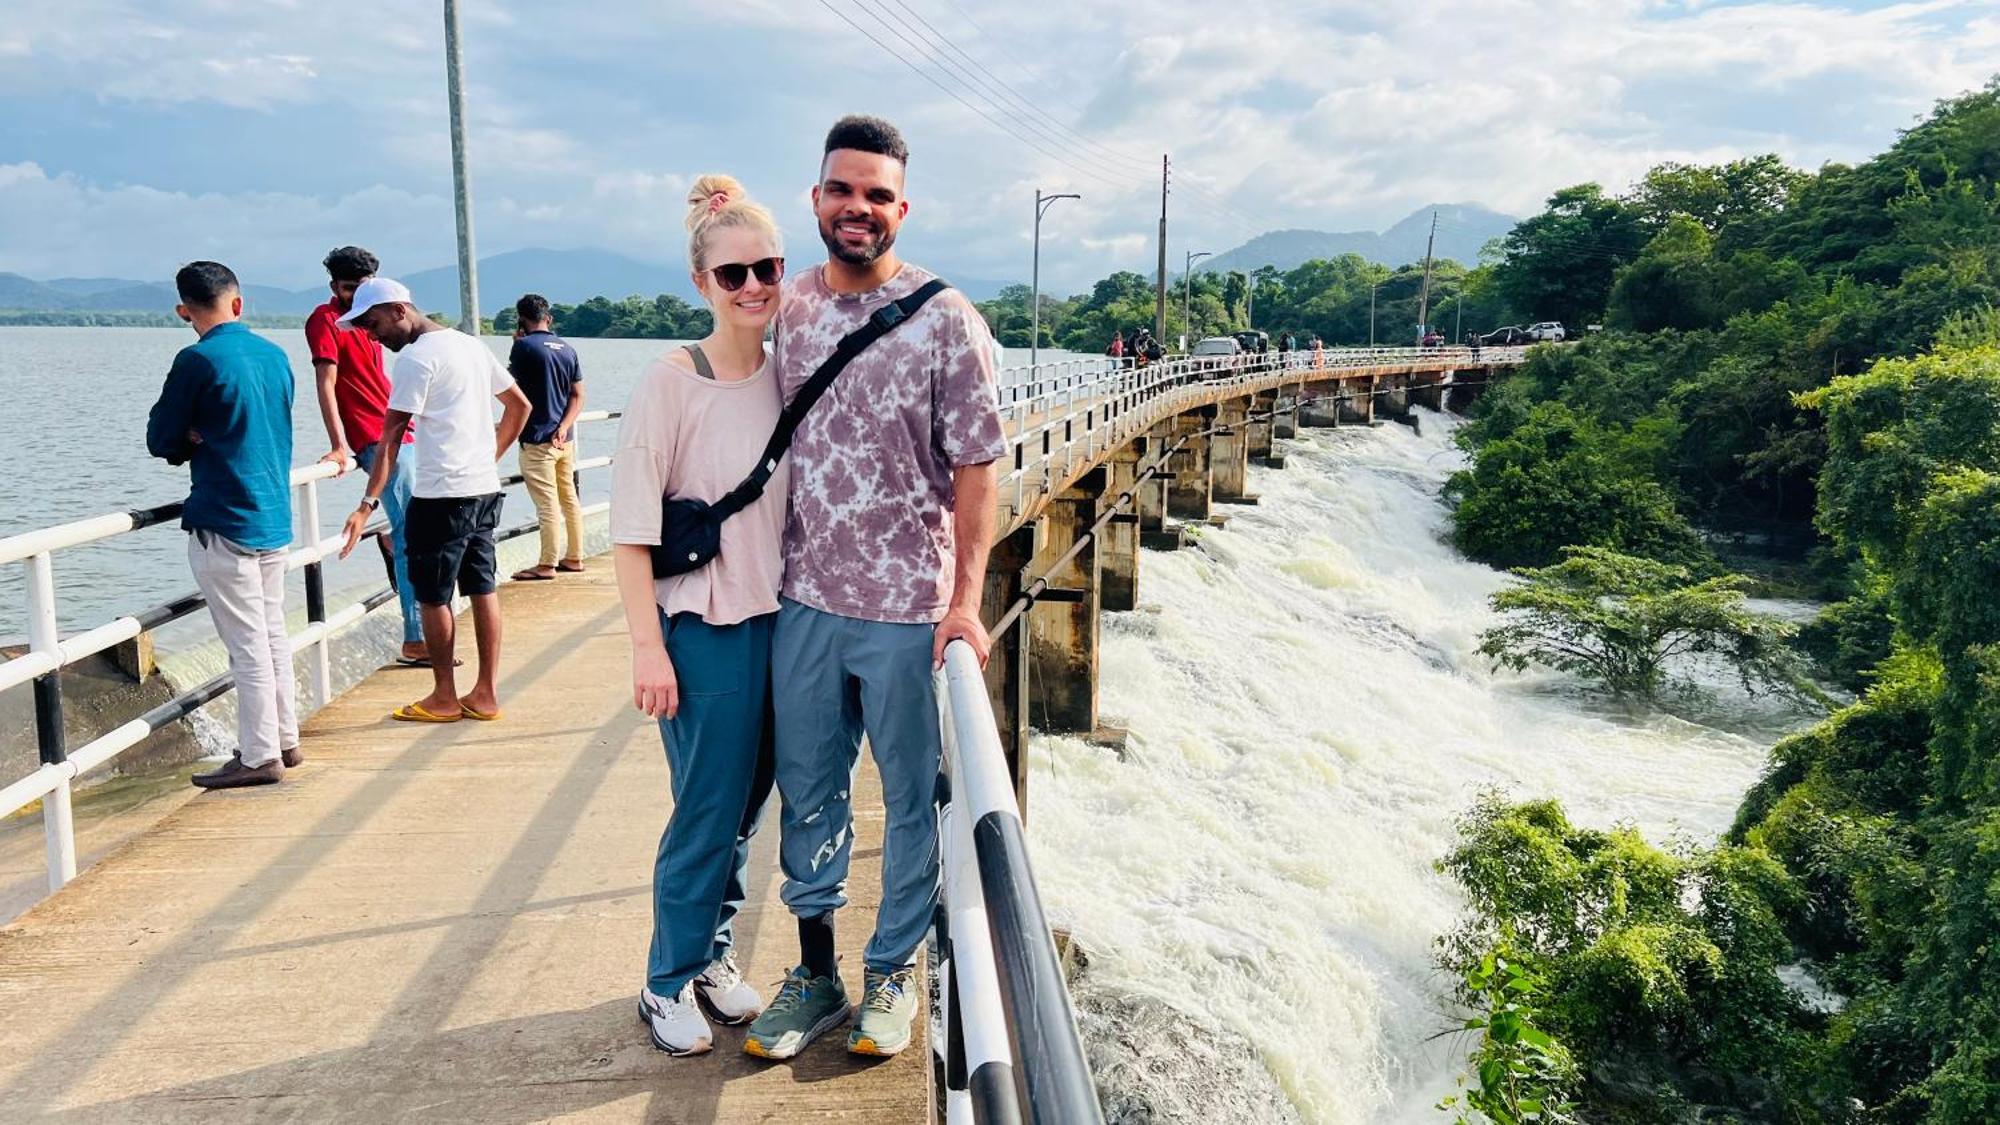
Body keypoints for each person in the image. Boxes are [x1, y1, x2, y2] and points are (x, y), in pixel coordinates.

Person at [742, 115, 1006, 1062]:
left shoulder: (948, 319)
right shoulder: (789, 310)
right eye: (842, 190)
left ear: (903, 208)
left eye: (878, 195)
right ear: (815, 199)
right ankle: (815, 971)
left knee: (906, 800)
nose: (859, 208)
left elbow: (979, 466)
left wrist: (965, 603)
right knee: (808, 794)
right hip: (804, 599)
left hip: (906, 611)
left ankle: (894, 972)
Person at [611, 175, 786, 1057]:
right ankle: (665, 978)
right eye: (732, 274)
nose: (753, 285)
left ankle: (712, 954)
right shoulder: (670, 381)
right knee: (706, 810)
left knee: (749, 806)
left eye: (767, 268)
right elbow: (632, 530)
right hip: (702, 629)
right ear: (700, 284)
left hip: (776, 621)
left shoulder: (788, 373)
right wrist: (649, 648)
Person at [335, 279, 531, 724]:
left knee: (432, 595)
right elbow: (519, 407)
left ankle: (444, 696)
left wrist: (366, 504)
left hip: (441, 495)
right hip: (483, 489)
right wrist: (487, 458)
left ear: (399, 310)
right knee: (482, 587)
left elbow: (388, 440)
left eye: (372, 322)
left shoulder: (415, 359)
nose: (371, 334)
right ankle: (484, 694)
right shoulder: (470, 346)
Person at [146, 262, 301, 790]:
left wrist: (190, 437)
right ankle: (284, 738)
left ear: (184, 311)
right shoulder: (276, 356)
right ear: (239, 303)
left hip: (224, 517)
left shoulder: (196, 360)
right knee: (274, 634)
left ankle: (259, 757)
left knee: (247, 646)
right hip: (273, 514)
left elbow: (160, 438)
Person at [306, 245, 429, 665]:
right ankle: (416, 639)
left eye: (361, 288)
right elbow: (327, 383)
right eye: (346, 288)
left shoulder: (369, 316)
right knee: (416, 533)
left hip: (402, 429)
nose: (353, 295)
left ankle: (393, 542)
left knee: (419, 526)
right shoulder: (326, 320)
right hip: (371, 437)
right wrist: (340, 444)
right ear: (332, 286)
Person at [507, 294, 587, 582]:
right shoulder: (567, 349)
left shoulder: (524, 348)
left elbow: (509, 390)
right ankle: (575, 556)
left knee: (547, 504)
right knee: (569, 498)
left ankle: (547, 563)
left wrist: (516, 345)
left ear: (521, 319)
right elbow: (579, 395)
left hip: (538, 438)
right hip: (565, 439)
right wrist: (565, 426)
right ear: (549, 318)